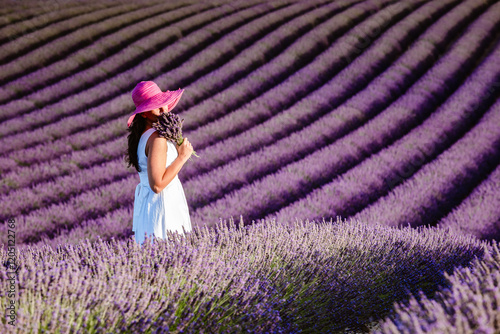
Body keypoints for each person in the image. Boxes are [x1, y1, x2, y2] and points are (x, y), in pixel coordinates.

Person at [125, 81, 194, 246]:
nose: (164, 110)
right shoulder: (157, 138)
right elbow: (157, 184)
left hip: (151, 206)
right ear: (144, 114)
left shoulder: (144, 136)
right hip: (163, 206)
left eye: (163, 104)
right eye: (157, 107)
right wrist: (182, 157)